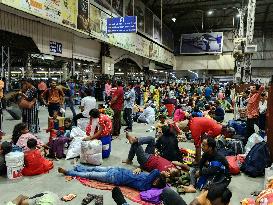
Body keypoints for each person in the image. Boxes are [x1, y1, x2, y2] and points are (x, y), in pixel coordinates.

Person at [58, 165, 166, 191]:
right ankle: (78, 167)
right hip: (118, 170)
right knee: (94, 169)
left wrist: (162, 176)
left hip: (113, 177)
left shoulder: (146, 186)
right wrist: (139, 169)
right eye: (156, 180)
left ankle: (68, 172)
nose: (155, 181)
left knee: (90, 175)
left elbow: (156, 171)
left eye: (156, 182)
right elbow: (152, 173)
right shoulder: (149, 178)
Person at [122, 133, 188, 177]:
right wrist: (181, 165)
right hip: (151, 155)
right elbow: (174, 162)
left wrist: (140, 168)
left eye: (171, 170)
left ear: (169, 174)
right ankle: (136, 141)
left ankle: (134, 143)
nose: (170, 168)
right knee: (151, 139)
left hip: (145, 160)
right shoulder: (173, 166)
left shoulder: (163, 172)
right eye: (173, 168)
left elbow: (155, 175)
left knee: (136, 144)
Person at [112, 184, 232, 205]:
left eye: (213, 201)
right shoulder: (210, 194)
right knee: (168, 191)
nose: (209, 201)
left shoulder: (223, 199)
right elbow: (194, 203)